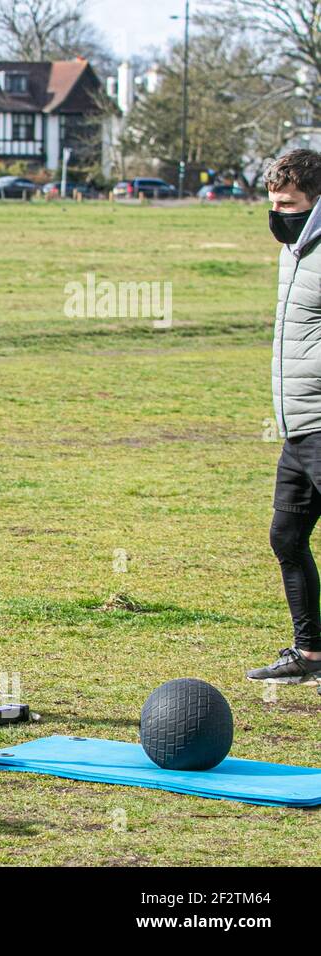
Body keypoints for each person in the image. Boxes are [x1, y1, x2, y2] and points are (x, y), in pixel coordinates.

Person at [254, 148, 321, 686]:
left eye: (289, 204)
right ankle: (311, 653)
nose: (279, 213)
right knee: (286, 536)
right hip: (298, 426)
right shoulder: (293, 251)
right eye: (273, 203)